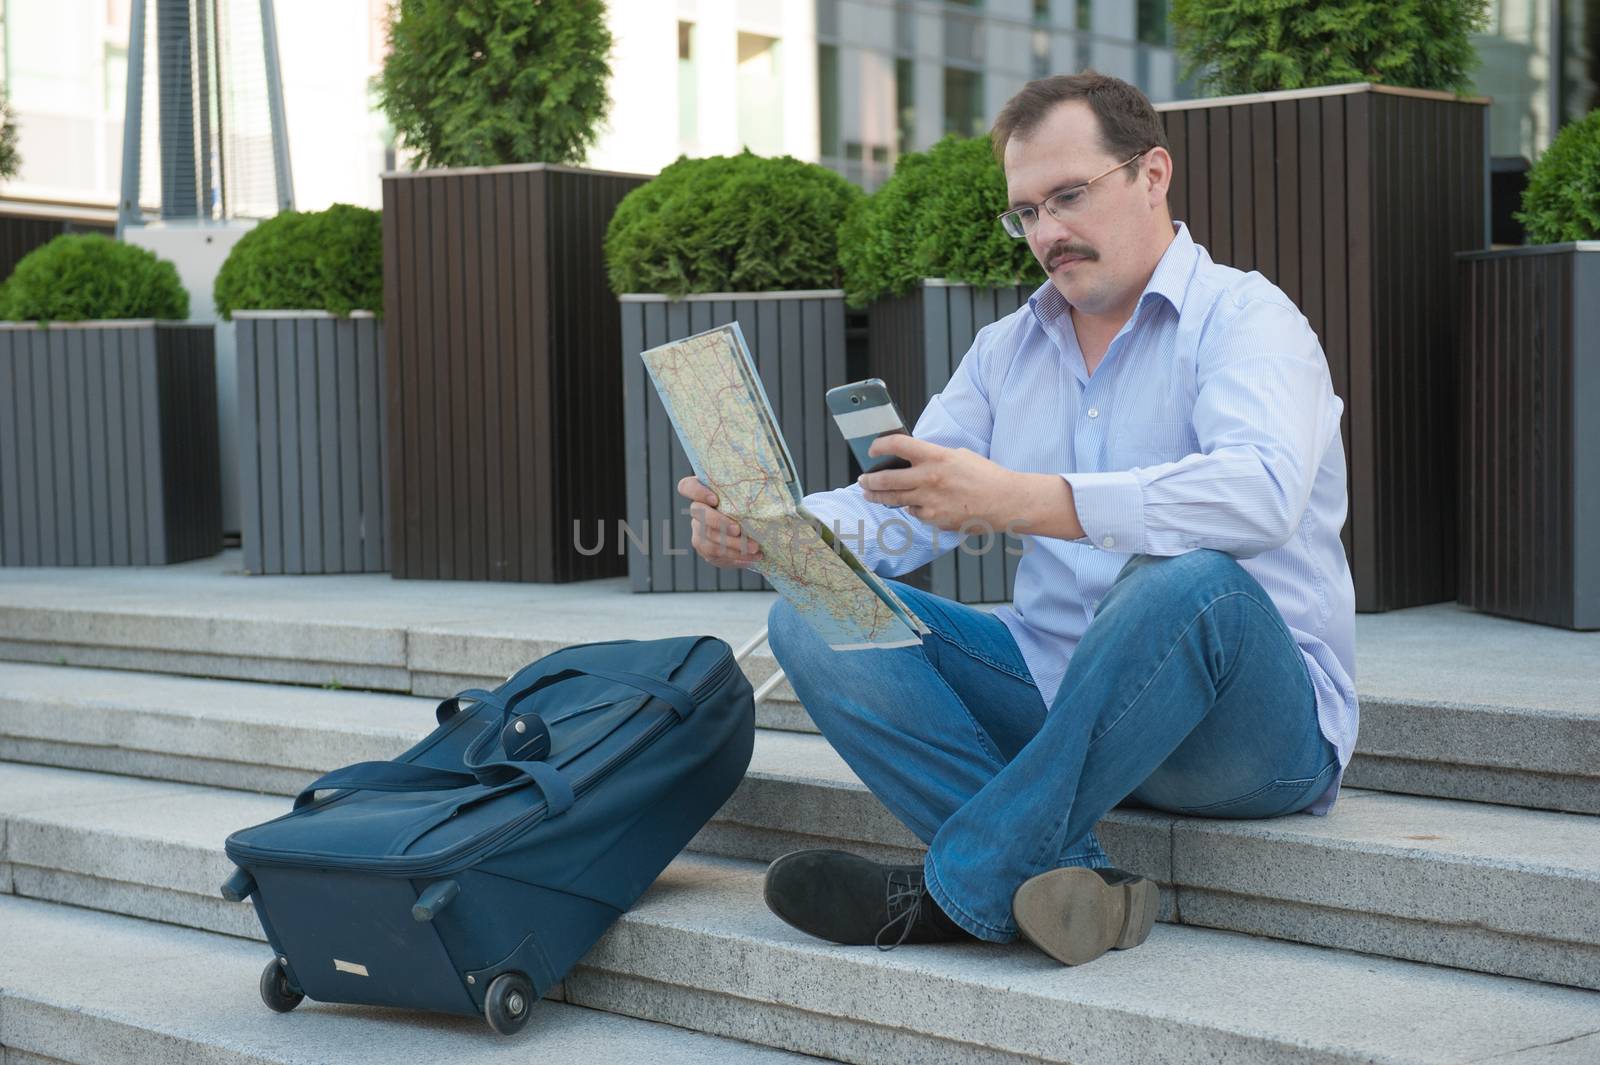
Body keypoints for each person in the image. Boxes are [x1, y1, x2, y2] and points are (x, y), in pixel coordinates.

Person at [677, 71, 1355, 968]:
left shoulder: (1248, 318)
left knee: (1188, 580)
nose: (1046, 233)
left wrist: (1026, 499)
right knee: (811, 611)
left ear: (1153, 175)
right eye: (1026, 212)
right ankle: (1072, 881)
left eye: (1068, 196)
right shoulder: (1007, 349)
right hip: (1060, 695)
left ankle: (953, 888)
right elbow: (911, 506)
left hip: (1248, 735)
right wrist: (775, 527)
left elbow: (1262, 492)